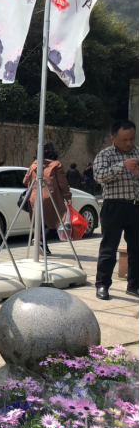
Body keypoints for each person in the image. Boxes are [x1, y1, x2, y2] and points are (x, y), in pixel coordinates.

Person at [93, 120, 138, 300]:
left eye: (132, 138)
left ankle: (134, 285)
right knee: (108, 248)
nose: (128, 143)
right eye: (124, 139)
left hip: (136, 205)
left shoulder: (138, 153)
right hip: (114, 206)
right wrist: (122, 166)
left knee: (136, 248)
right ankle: (102, 285)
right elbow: (98, 176)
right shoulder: (106, 155)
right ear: (113, 138)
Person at [23, 142, 72, 257]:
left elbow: (25, 181)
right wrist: (67, 197)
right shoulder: (56, 164)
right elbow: (63, 184)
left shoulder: (34, 165)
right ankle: (40, 240)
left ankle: (43, 246)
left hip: (34, 196)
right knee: (59, 222)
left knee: (41, 222)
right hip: (51, 196)